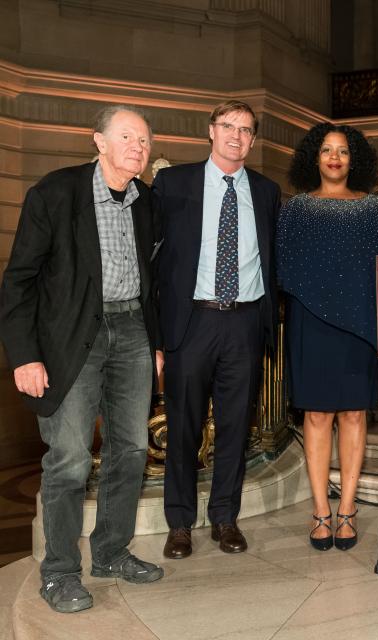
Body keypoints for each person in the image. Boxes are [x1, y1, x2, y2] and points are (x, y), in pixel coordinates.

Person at [0, 105, 164, 613]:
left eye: (144, 139)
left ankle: (112, 552)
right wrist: (24, 356)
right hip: (72, 338)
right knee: (69, 459)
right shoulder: (55, 193)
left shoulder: (147, 202)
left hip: (132, 331)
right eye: (127, 136)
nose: (138, 146)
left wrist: (155, 344)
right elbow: (19, 280)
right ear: (99, 141)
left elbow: (153, 282)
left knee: (132, 449)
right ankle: (59, 573)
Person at [154, 100, 281, 559]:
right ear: (211, 130)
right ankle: (180, 523)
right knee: (183, 427)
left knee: (234, 428)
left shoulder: (267, 191)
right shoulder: (173, 183)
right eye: (228, 126)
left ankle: (225, 518)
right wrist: (157, 338)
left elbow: (273, 258)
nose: (237, 136)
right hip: (192, 321)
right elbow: (154, 263)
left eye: (246, 130)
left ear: (253, 139)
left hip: (245, 322)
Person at [277, 123, 378, 551]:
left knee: (352, 415)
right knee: (316, 416)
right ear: (314, 157)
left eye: (343, 151)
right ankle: (319, 513)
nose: (334, 157)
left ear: (354, 159)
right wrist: (321, 294)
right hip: (311, 323)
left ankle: (346, 511)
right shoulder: (296, 208)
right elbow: (283, 266)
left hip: (360, 324)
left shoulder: (373, 208)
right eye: (326, 150)